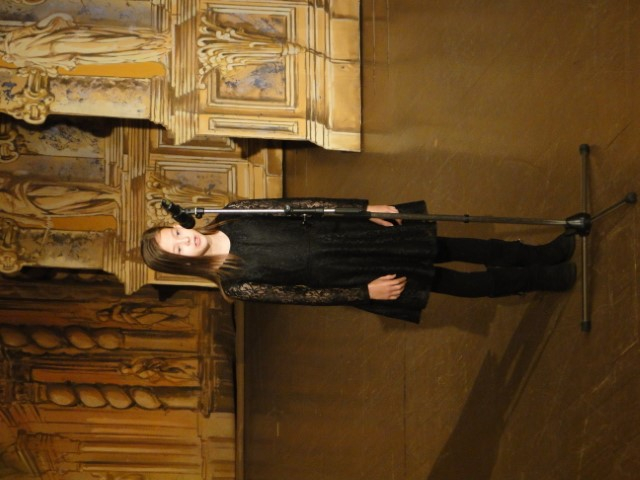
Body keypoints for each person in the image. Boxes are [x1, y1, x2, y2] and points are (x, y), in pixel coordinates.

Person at [140, 198, 577, 323]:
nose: (184, 240)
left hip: (351, 234)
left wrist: (363, 209)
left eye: (175, 233)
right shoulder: (235, 285)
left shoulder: (234, 213)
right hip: (351, 273)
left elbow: (303, 205)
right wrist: (363, 293)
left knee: (457, 246)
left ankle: (544, 254)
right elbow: (305, 297)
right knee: (452, 282)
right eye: (177, 248)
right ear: (181, 263)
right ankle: (542, 278)